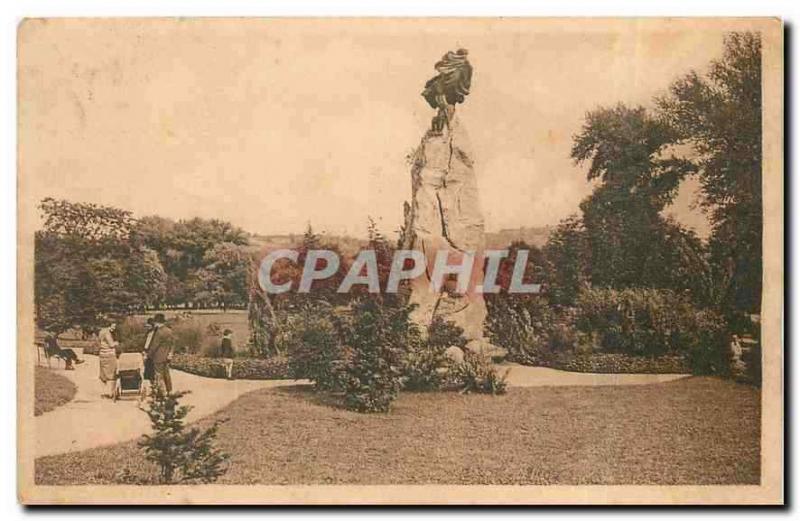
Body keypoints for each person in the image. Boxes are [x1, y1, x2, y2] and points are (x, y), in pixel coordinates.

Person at [146, 313, 174, 394]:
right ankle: (170, 391)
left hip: (158, 357)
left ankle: (162, 393)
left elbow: (154, 345)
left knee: (159, 375)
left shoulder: (159, 332)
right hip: (167, 356)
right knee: (166, 374)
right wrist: (170, 353)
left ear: (157, 322)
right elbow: (172, 343)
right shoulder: (169, 331)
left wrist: (148, 355)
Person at [97, 321, 119, 398]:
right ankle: (111, 393)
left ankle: (103, 392)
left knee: (103, 374)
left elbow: (100, 342)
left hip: (102, 353)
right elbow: (111, 344)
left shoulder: (101, 332)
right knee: (112, 374)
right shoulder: (107, 333)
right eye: (113, 326)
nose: (114, 328)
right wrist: (116, 343)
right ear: (109, 325)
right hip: (109, 354)